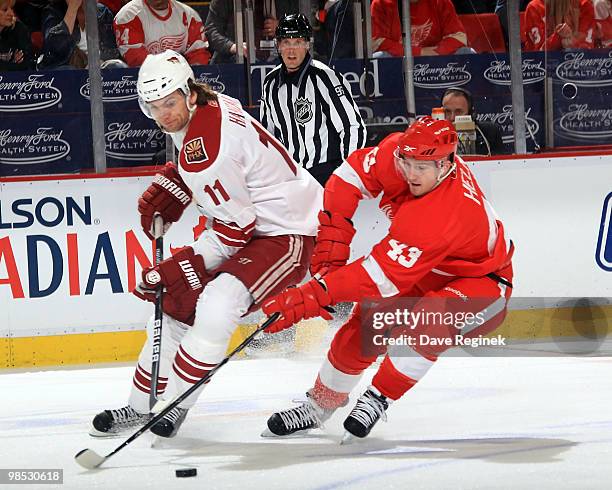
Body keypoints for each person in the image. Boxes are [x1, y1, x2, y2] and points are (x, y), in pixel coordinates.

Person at [90, 49, 322, 439]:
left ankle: (177, 404)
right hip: (255, 221)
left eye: (169, 103)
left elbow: (236, 230)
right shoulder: (209, 104)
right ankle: (138, 406)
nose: (164, 115)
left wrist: (184, 263)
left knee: (217, 304)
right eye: (154, 107)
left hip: (287, 230)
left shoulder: (204, 149)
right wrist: (176, 180)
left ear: (188, 94)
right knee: (173, 308)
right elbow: (227, 169)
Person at [260, 116, 514, 440]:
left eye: (422, 167)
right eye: (407, 163)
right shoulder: (400, 154)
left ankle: (378, 398)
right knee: (367, 323)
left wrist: (312, 295)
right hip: (428, 269)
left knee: (430, 319)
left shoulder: (445, 213)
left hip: (484, 284)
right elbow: (347, 178)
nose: (411, 173)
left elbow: (376, 277)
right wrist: (332, 242)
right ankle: (320, 404)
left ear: (447, 164)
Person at [260, 14, 366, 187]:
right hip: (290, 176)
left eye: (298, 42)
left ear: (307, 45)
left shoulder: (325, 77)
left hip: (327, 174)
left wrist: (348, 174)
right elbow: (266, 136)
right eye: (286, 42)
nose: (291, 50)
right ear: (278, 46)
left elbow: (352, 126)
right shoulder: (270, 82)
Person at [113, 0, 210, 67]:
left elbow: (199, 54)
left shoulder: (189, 15)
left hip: (182, 79)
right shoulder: (128, 16)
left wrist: (192, 78)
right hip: (142, 80)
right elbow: (135, 58)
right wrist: (171, 68)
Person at [205, 0, 299, 64]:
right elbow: (211, 30)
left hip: (280, 60)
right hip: (232, 63)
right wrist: (232, 47)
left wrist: (284, 27)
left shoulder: (288, 2)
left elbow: (302, 26)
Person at [37, 0, 120, 69]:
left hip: (97, 68)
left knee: (116, 67)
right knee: (69, 71)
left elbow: (112, 52)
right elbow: (55, 49)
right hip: (62, 68)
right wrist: (72, 9)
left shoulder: (103, 12)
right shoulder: (52, 11)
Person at [371, 0, 470, 57]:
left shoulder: (441, 2)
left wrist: (437, 52)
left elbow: (459, 38)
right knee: (379, 57)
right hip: (399, 62)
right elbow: (376, 42)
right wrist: (420, 52)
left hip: (436, 62)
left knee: (467, 53)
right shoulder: (381, 3)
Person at [441, 87, 505, 156]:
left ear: (471, 114)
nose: (452, 117)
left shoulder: (489, 133)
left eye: (458, 112)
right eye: (447, 111)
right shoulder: (433, 136)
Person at [524, 0, 596, 51]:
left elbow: (588, 50)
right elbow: (539, 54)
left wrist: (573, 43)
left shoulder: (585, 5)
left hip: (581, 67)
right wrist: (558, 37)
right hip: (539, 69)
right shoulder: (535, 7)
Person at [0, 0, 34, 71]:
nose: (11, 14)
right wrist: (13, 63)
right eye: (5, 10)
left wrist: (6, 65)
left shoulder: (19, 29)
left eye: (12, 8)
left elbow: (26, 65)